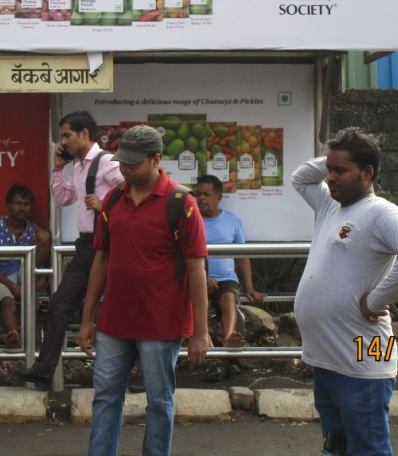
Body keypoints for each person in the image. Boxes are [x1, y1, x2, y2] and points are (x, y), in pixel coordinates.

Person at [292, 127, 398, 456]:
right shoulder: (329, 205)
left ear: (367, 173)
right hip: (327, 361)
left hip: (361, 367)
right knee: (336, 447)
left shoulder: (380, 211)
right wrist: (336, 158)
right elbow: (301, 177)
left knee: (367, 449)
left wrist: (376, 300)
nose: (330, 178)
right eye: (329, 170)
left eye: (341, 171)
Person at [78, 125, 209, 456]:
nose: (125, 169)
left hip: (161, 325)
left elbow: (196, 269)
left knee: (159, 401)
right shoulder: (113, 199)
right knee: (105, 397)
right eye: (122, 162)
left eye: (133, 163)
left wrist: (200, 332)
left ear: (156, 160)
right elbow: (101, 260)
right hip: (114, 322)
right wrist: (87, 319)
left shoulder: (182, 202)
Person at [8, 110, 122, 390]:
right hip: (86, 246)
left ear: (84, 134)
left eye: (67, 135)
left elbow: (135, 193)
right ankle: (43, 371)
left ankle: (136, 373)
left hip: (112, 245)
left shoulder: (107, 162)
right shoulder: (79, 166)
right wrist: (58, 169)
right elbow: (61, 200)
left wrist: (105, 205)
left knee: (122, 308)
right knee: (59, 304)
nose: (64, 142)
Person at [194, 174, 265, 349]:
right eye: (199, 194)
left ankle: (228, 341)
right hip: (197, 278)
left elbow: (243, 256)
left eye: (206, 194)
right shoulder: (191, 220)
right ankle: (204, 344)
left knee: (228, 299)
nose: (201, 198)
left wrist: (250, 288)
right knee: (197, 302)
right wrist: (203, 278)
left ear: (218, 197)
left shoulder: (232, 220)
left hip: (226, 279)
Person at [0, 184, 51, 349]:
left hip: (26, 275)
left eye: (26, 204)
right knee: (7, 302)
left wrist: (32, 286)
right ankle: (13, 337)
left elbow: (46, 269)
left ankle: (32, 346)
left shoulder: (34, 231)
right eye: (18, 203)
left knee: (44, 236)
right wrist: (12, 286)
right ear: (9, 205)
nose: (22, 208)